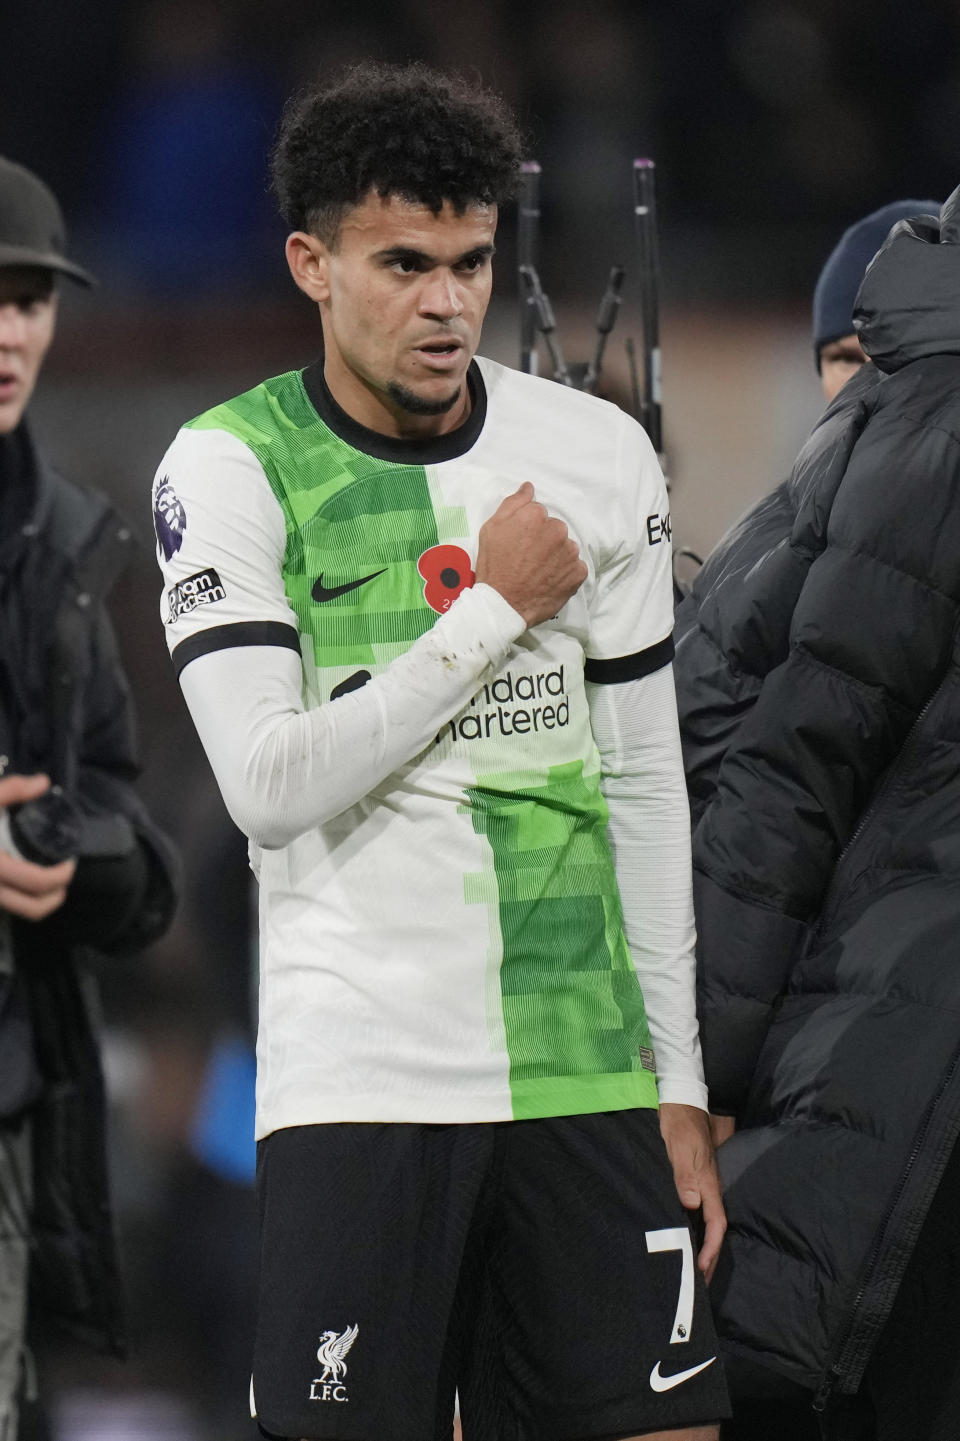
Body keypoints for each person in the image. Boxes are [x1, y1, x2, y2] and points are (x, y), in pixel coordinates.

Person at [152, 61, 729, 1441]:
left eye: (470, 262)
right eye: (404, 263)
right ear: (312, 263)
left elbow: (645, 782)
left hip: (586, 1068)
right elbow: (268, 784)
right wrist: (493, 609)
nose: (449, 300)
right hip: (363, 1080)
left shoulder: (593, 454)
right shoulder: (229, 467)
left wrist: (682, 1081)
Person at [675, 184, 960, 1441]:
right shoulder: (935, 426)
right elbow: (786, 760)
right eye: (828, 360)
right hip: (881, 1081)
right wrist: (701, 1076)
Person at [0, 156, 178, 1438]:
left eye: (32, 300)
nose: (12, 331)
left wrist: (77, 859)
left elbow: (134, 828)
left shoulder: (65, 540)